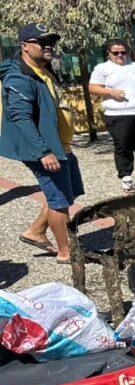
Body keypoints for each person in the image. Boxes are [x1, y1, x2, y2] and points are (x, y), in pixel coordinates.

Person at [0, 23, 84, 265]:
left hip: (60, 146)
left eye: (51, 43)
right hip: (45, 150)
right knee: (59, 201)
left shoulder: (42, 70)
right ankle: (66, 252)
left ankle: (35, 231)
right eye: (42, 42)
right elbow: (20, 118)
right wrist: (43, 152)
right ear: (24, 46)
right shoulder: (19, 76)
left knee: (71, 191)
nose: (49, 47)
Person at [88, 39, 135, 194]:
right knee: (123, 147)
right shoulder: (102, 68)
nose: (120, 55)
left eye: (123, 52)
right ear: (108, 53)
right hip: (118, 115)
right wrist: (110, 92)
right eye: (116, 53)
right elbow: (92, 87)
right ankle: (126, 177)